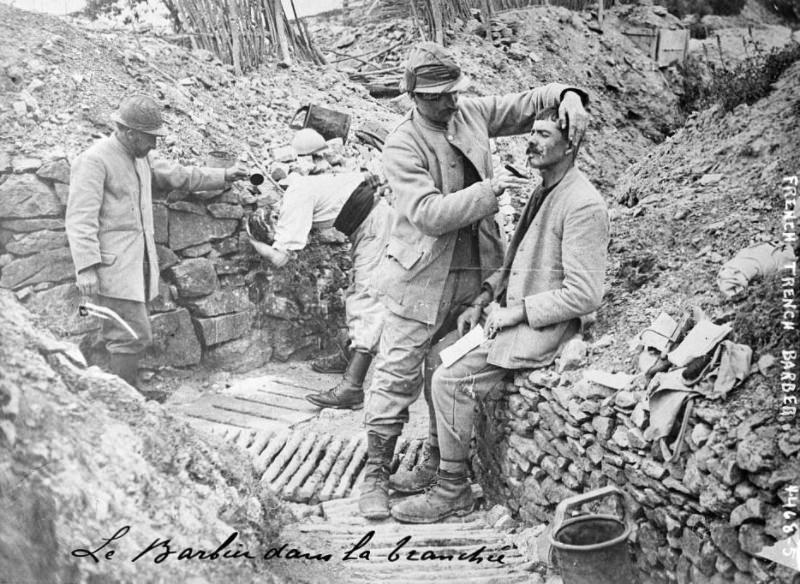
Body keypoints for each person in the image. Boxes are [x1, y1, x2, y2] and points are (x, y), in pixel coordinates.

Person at [358, 41, 590, 519]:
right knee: (396, 375)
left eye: (454, 92)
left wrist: (567, 93)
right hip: (420, 278)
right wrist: (489, 191)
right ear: (414, 97)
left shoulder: (471, 113)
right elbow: (426, 213)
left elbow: (527, 105)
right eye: (438, 96)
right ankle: (375, 474)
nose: (450, 102)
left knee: (443, 368)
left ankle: (435, 460)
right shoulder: (403, 142)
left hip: (475, 272)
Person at [390, 106, 610, 524]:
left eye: (544, 135)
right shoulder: (545, 189)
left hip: (542, 329)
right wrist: (483, 300)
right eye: (533, 132)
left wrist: (516, 314)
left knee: (451, 379)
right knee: (437, 355)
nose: (532, 141)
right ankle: (439, 461)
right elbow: (514, 263)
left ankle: (452, 489)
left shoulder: (583, 205)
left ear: (571, 144)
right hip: (512, 315)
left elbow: (585, 295)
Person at [66, 94, 248, 391]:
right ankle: (125, 401)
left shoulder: (142, 157)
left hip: (136, 266)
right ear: (128, 132)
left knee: (126, 333)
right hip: (111, 270)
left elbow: (179, 175)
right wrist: (86, 267)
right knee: (130, 334)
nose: (154, 144)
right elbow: (79, 218)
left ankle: (125, 390)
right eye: (149, 137)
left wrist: (224, 174)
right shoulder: (94, 160)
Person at [247, 128, 395, 410]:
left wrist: (253, 243)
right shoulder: (313, 180)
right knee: (357, 288)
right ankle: (348, 356)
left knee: (366, 297)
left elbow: (281, 258)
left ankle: (352, 388)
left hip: (375, 225)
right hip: (373, 220)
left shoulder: (297, 195)